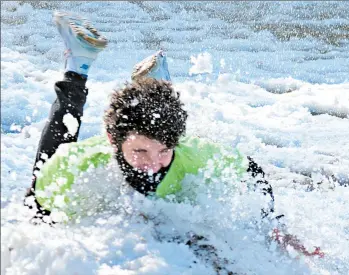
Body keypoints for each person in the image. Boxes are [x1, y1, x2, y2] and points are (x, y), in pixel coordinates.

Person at [24, 11, 324, 258]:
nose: (153, 163)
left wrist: (274, 227)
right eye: (140, 152)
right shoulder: (79, 165)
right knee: (51, 157)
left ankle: (155, 87)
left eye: (164, 152)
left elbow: (252, 171)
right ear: (113, 140)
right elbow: (38, 215)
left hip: (165, 139)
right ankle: (79, 63)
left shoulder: (193, 156)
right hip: (83, 156)